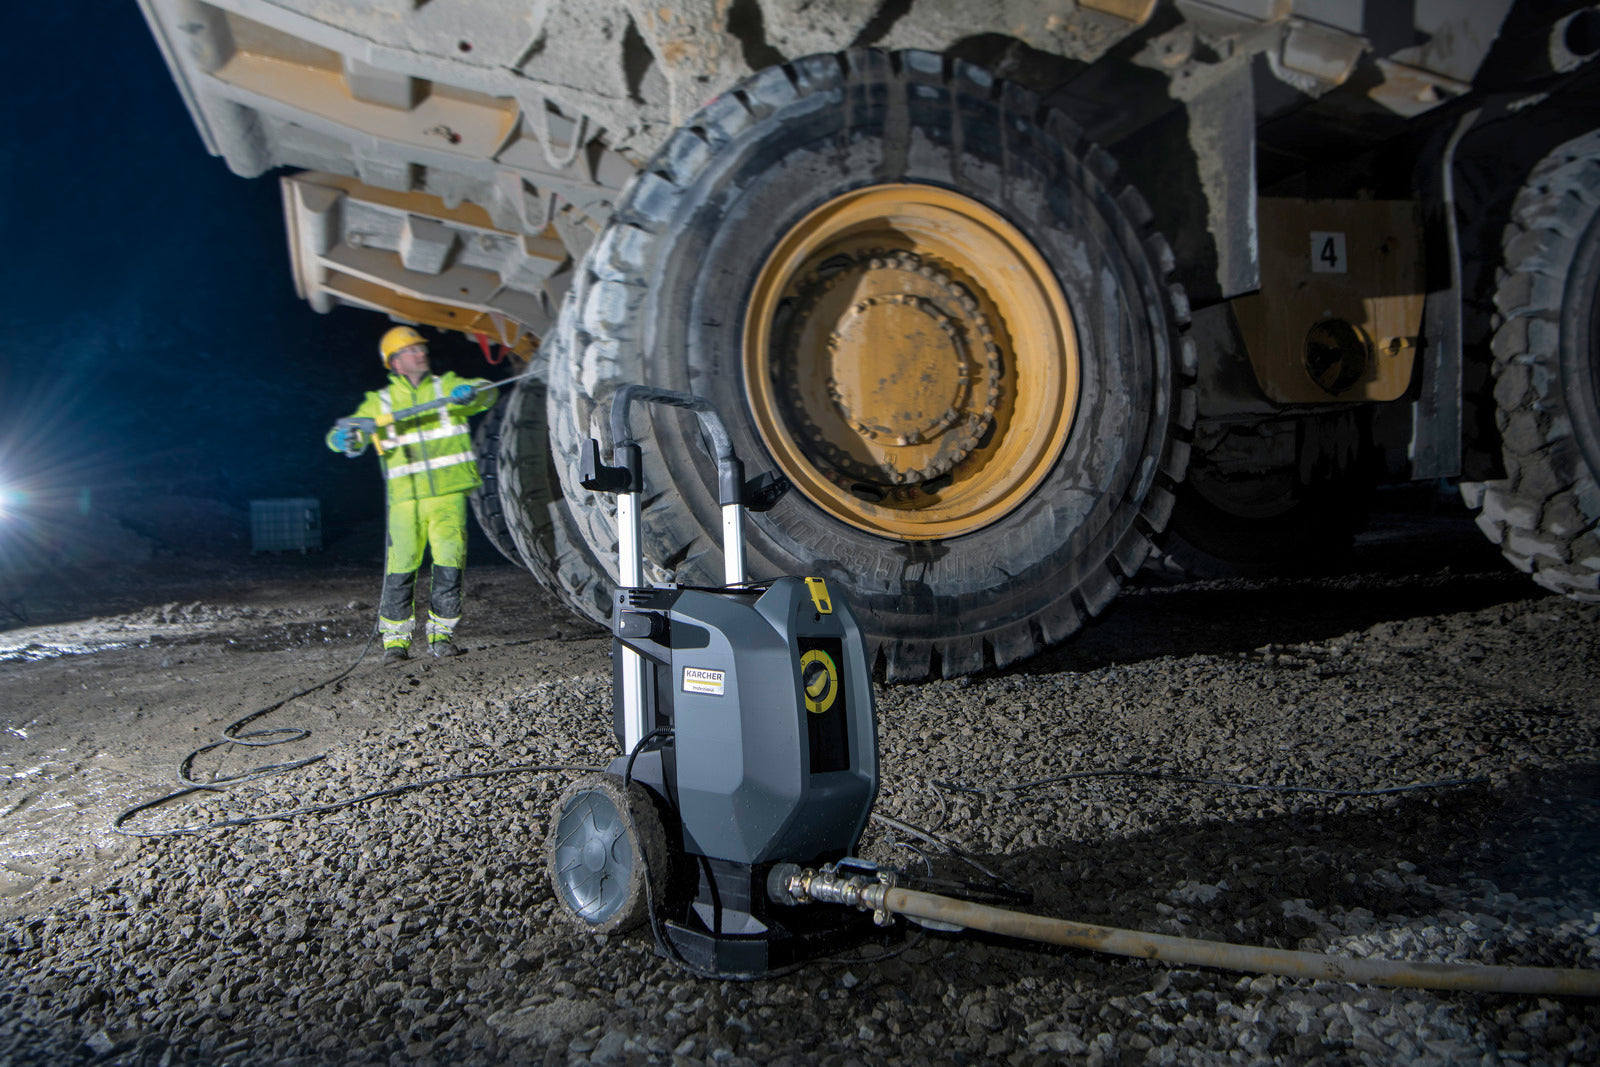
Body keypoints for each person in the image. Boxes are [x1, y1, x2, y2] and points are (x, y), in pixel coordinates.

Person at [327, 326, 494, 662]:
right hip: (404, 500)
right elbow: (347, 431)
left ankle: (441, 636)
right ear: (396, 362)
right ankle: (395, 643)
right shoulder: (381, 402)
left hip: (448, 493)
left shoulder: (446, 387)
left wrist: (473, 392)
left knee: (449, 563)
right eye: (413, 350)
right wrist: (341, 440)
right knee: (401, 567)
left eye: (421, 349)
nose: (421, 354)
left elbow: (486, 392)